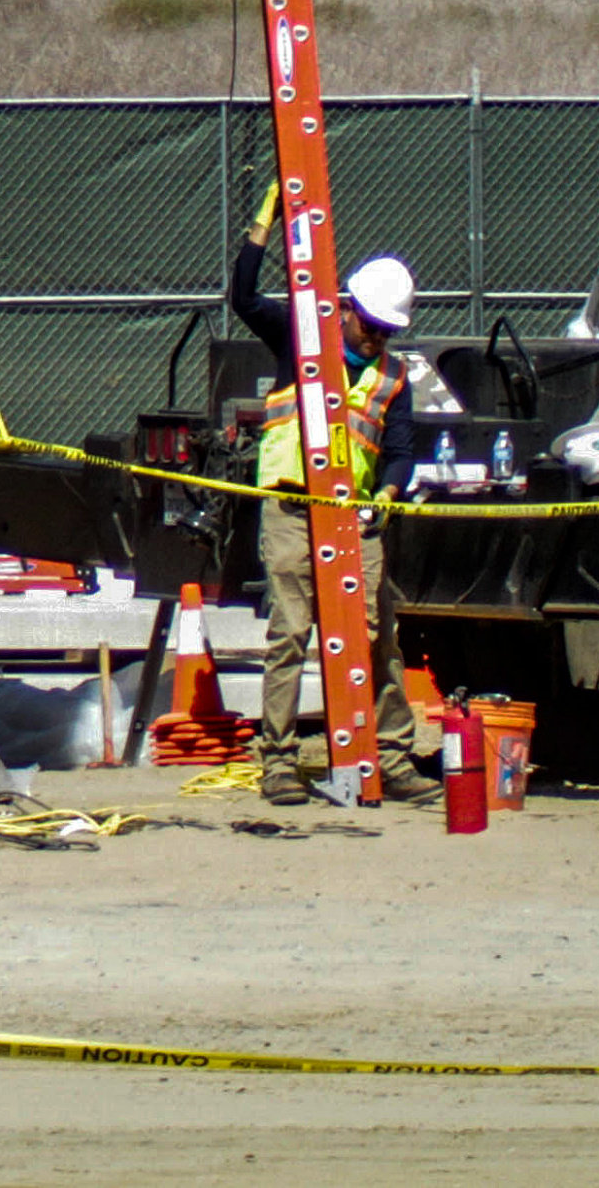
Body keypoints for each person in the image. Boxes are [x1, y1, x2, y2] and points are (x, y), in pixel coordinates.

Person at [250, 251, 430, 806]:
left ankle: (392, 757)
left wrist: (387, 495)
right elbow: (242, 298)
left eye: (387, 330)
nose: (377, 337)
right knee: (291, 633)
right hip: (292, 510)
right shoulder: (302, 343)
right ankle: (278, 760)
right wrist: (261, 231)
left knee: (379, 640)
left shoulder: (395, 377)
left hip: (357, 516)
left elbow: (400, 453)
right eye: (371, 325)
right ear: (349, 310)